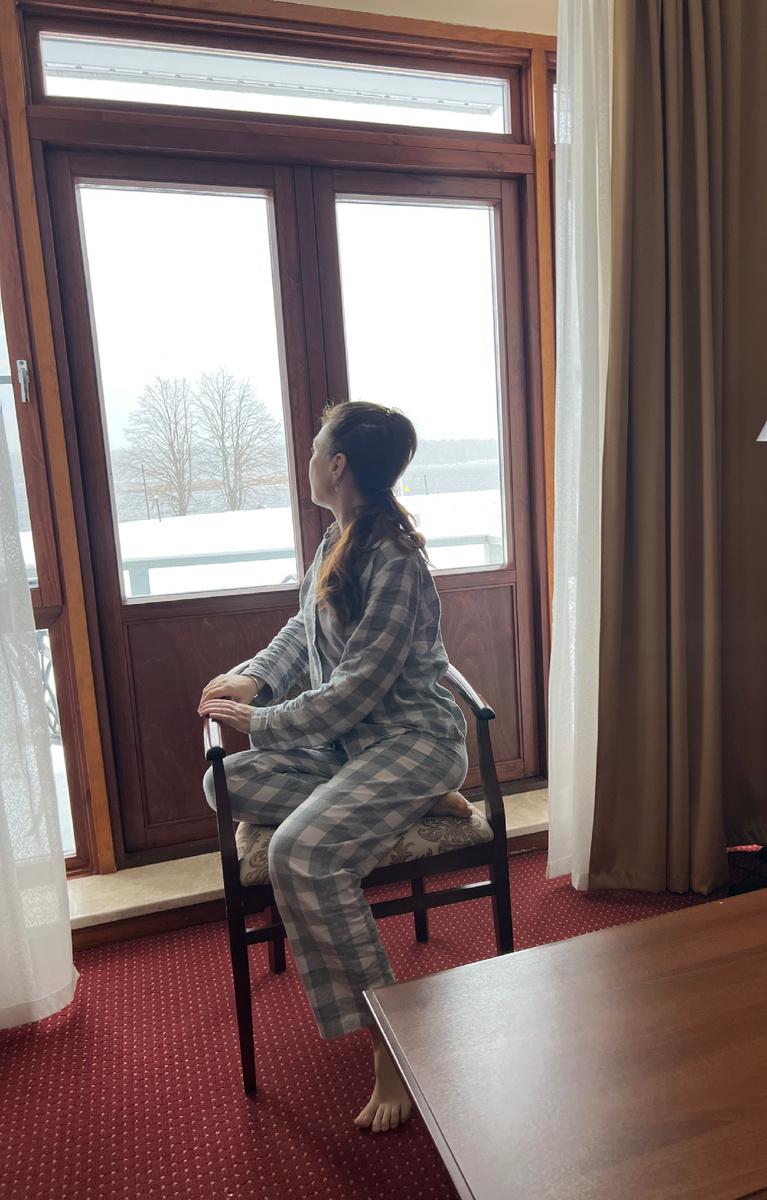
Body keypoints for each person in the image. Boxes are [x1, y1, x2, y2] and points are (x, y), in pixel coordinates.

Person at [198, 400, 473, 1133]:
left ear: (340, 465)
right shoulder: (337, 540)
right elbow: (302, 628)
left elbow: (355, 690)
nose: (310, 456)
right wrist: (254, 679)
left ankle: (390, 1038)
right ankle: (414, 803)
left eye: (318, 445)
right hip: (350, 747)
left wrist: (262, 723)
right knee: (225, 781)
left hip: (411, 741)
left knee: (301, 851)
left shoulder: (397, 562)